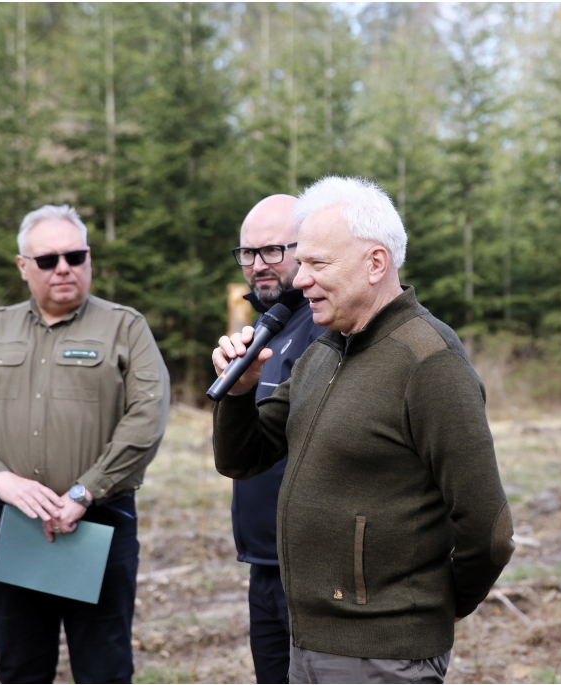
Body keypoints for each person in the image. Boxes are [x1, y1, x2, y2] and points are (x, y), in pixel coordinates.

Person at [211, 177, 514, 684]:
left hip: (384, 653)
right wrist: (239, 393)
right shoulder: (325, 351)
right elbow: (243, 458)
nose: (300, 280)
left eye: (317, 264)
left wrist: (428, 607)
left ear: (375, 263)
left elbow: (490, 528)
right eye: (300, 263)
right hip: (308, 639)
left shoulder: (429, 360)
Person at [0, 204, 170, 683]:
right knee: (20, 666)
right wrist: (0, 479)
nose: (63, 268)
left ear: (88, 258)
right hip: (14, 523)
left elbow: (148, 415)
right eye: (47, 260)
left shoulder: (125, 327)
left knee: (104, 668)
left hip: (98, 520)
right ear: (23, 266)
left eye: (74, 256)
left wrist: (85, 491)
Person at [228, 195, 325, 683]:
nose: (258, 265)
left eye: (272, 250)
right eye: (247, 253)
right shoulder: (266, 326)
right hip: (264, 563)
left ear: (305, 249)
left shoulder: (325, 327)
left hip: (313, 568)